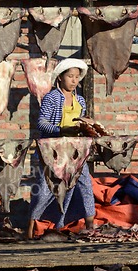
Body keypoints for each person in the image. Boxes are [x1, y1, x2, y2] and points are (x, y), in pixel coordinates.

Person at [27, 58, 95, 239]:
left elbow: (81, 122)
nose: (74, 81)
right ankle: (31, 228)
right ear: (60, 78)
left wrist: (86, 126)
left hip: (74, 152)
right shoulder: (51, 98)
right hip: (53, 152)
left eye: (77, 77)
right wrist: (60, 130)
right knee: (44, 189)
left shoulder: (80, 100)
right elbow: (41, 123)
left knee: (85, 185)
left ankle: (91, 228)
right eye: (70, 76)